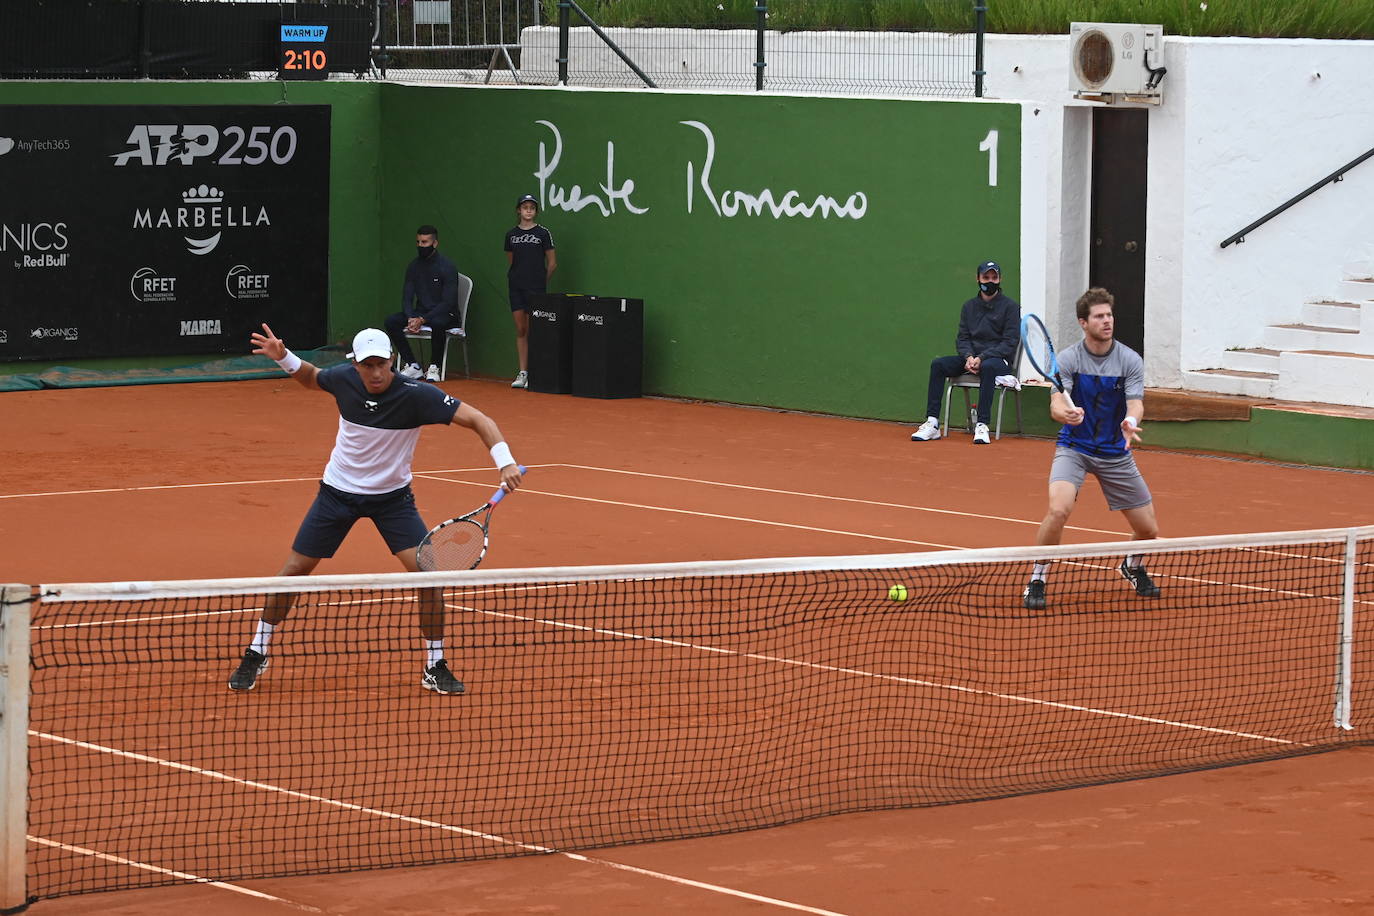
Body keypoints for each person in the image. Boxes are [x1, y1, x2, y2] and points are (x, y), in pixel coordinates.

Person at [228, 324, 524, 695]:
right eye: (368, 365)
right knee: (294, 570)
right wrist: (283, 357)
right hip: (337, 495)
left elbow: (481, 420)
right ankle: (257, 650)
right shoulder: (342, 380)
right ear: (355, 365)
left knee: (428, 576)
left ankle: (435, 664)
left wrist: (505, 462)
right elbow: (311, 377)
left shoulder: (418, 396)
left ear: (392, 361)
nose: (376, 372)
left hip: (392, 501)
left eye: (382, 363)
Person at [1022, 287, 1160, 611]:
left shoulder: (1129, 360)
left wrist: (1129, 419)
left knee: (1148, 529)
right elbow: (1056, 402)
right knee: (1058, 510)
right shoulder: (1068, 359)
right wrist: (1065, 415)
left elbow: (1136, 403)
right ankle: (1037, 579)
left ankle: (1133, 566)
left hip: (1115, 453)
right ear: (1083, 322)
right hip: (1075, 447)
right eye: (1099, 316)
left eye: (1109, 315)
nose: (1107, 321)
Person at [911, 260, 1022, 445]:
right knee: (938, 365)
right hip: (971, 359)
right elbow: (962, 338)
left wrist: (982, 357)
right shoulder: (968, 307)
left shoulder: (1011, 307)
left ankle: (982, 425)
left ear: (1000, 279)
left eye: (994, 277)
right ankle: (932, 423)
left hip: (998, 361)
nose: (990, 281)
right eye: (986, 277)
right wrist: (969, 357)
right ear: (978, 279)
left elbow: (1009, 342)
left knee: (987, 366)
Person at [385, 224, 460, 382]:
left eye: (424, 242)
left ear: (435, 243)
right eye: (418, 242)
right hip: (420, 313)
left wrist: (423, 320)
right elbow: (407, 297)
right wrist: (410, 317)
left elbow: (448, 302)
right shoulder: (413, 266)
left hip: (445, 314)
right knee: (391, 321)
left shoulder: (447, 267)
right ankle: (413, 365)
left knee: (439, 323)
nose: (420, 246)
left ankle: (435, 367)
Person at [504, 194, 556, 389]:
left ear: (536, 211)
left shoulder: (543, 233)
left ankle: (536, 371)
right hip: (516, 286)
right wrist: (520, 277)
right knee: (521, 329)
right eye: (524, 207)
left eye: (531, 208)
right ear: (518, 210)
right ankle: (523, 372)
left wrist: (541, 282)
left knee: (535, 329)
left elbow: (552, 263)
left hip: (536, 288)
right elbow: (512, 260)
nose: (528, 210)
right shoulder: (511, 235)